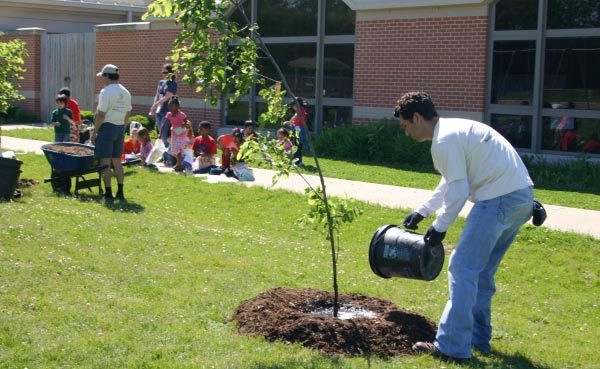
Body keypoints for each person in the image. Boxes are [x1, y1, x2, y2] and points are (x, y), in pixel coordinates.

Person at [394, 92, 534, 363]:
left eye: (405, 125)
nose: (406, 131)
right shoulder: (454, 129)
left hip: (498, 200)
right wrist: (422, 211)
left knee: (462, 268)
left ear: (417, 117)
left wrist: (439, 227)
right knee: (479, 274)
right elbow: (451, 180)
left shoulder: (445, 140)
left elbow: (459, 191)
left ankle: (452, 347)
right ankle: (477, 339)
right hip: (521, 198)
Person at [91, 64, 132, 202]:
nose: (103, 79)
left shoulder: (106, 92)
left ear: (107, 76)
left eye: (103, 76)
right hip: (120, 127)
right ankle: (120, 192)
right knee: (117, 161)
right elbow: (128, 113)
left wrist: (94, 132)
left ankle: (108, 193)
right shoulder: (126, 92)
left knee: (105, 161)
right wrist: (123, 127)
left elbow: (101, 114)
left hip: (107, 127)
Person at [150, 63, 177, 146]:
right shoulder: (161, 82)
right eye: (162, 72)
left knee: (164, 132)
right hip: (159, 110)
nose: (163, 74)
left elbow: (168, 96)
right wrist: (154, 105)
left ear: (171, 73)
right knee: (160, 132)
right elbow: (157, 95)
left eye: (165, 73)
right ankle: (162, 153)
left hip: (167, 111)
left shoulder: (172, 83)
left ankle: (167, 152)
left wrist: (156, 104)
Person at [164, 96, 188, 172]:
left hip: (181, 133)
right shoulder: (169, 114)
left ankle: (178, 165)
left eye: (172, 106)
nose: (170, 107)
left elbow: (186, 123)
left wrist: (182, 127)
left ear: (177, 106)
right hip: (174, 133)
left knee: (178, 149)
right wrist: (161, 133)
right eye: (169, 106)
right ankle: (180, 164)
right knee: (174, 149)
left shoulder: (181, 114)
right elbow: (165, 124)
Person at [289, 97, 309, 166]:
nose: (293, 107)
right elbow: (295, 118)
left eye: (294, 105)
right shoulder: (301, 110)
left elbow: (295, 117)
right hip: (298, 128)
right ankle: (297, 160)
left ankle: (296, 161)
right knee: (297, 145)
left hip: (299, 130)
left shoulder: (300, 111)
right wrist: (290, 122)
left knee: (297, 145)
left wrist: (290, 122)